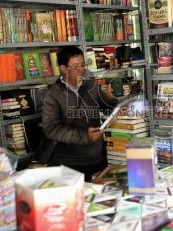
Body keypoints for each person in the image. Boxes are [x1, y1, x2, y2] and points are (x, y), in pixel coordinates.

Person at [41, 46, 119, 182]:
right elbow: (51, 129)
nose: (81, 70)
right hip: (69, 162)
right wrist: (84, 136)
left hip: (98, 158)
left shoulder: (91, 86)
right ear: (63, 68)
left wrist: (117, 110)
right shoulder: (53, 94)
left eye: (83, 65)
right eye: (76, 66)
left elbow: (109, 105)